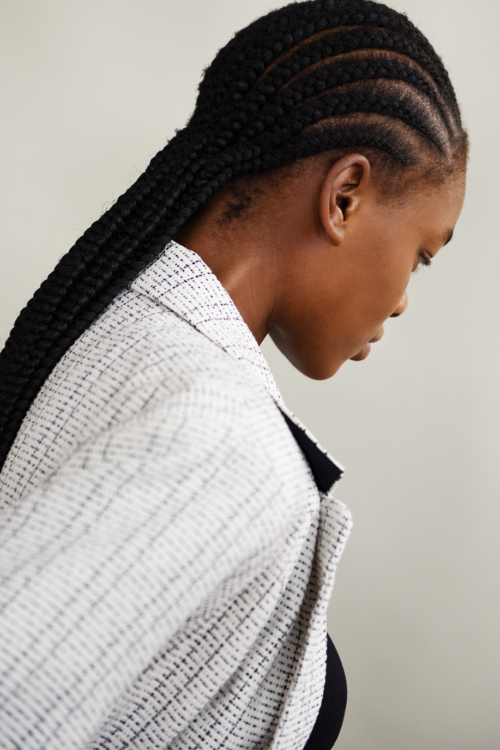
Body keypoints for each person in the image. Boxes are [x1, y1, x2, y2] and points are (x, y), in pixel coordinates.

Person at [0, 0, 467, 748]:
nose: (404, 299)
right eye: (421, 256)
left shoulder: (110, 323)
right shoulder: (222, 437)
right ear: (345, 196)